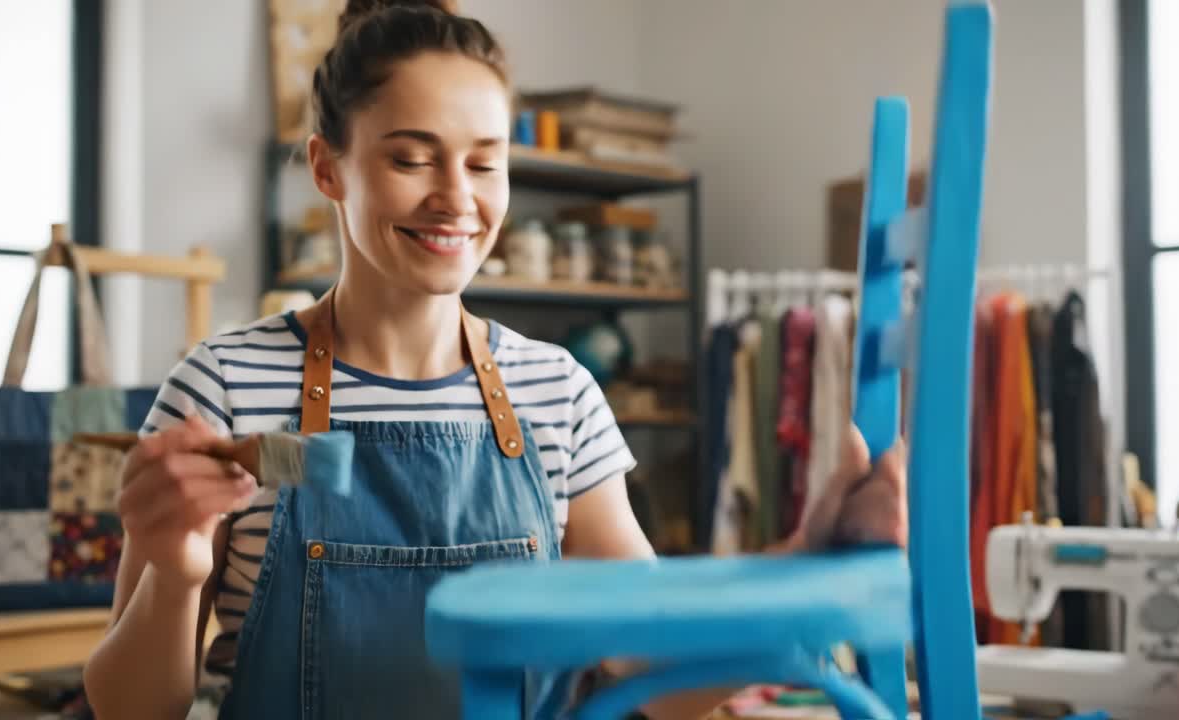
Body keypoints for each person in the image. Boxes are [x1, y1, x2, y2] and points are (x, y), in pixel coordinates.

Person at [82, 1, 907, 718]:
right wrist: (176, 571)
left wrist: (806, 569)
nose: (456, 197)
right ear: (327, 167)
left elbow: (661, 681)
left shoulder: (559, 394)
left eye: (484, 162)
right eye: (411, 158)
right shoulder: (224, 386)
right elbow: (127, 711)